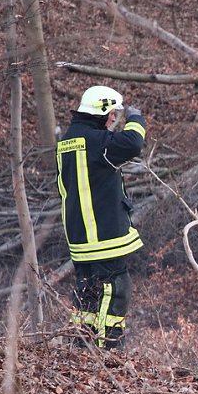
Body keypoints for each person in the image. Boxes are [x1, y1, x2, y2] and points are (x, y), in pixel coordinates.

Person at [57, 85, 147, 349]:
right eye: (114, 116)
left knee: (87, 291)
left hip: (79, 235)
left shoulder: (67, 142)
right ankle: (107, 349)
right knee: (115, 287)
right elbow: (133, 143)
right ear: (108, 115)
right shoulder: (97, 143)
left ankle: (81, 346)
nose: (114, 122)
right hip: (103, 234)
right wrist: (136, 118)